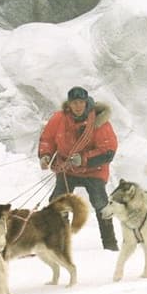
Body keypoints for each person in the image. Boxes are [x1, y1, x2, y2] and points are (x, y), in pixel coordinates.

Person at [38, 86, 119, 251]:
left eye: (81, 102)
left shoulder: (98, 121)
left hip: (94, 171)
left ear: (86, 102)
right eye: (74, 102)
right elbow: (47, 139)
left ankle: (110, 244)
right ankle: (61, 242)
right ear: (69, 104)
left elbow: (108, 152)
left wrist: (84, 159)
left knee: (101, 204)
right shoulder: (59, 118)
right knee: (57, 202)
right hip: (68, 170)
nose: (78, 106)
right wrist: (45, 155)